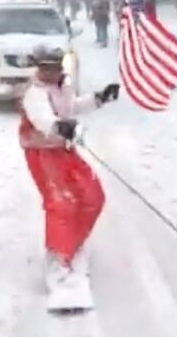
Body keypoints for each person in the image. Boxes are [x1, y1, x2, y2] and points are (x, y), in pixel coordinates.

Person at [18, 46, 119, 304]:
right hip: (42, 154)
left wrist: (99, 98)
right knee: (61, 203)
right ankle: (57, 261)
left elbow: (71, 106)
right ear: (40, 67)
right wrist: (60, 126)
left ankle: (71, 243)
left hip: (63, 150)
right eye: (48, 67)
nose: (54, 71)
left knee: (93, 196)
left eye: (57, 66)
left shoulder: (63, 86)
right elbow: (43, 118)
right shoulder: (34, 93)